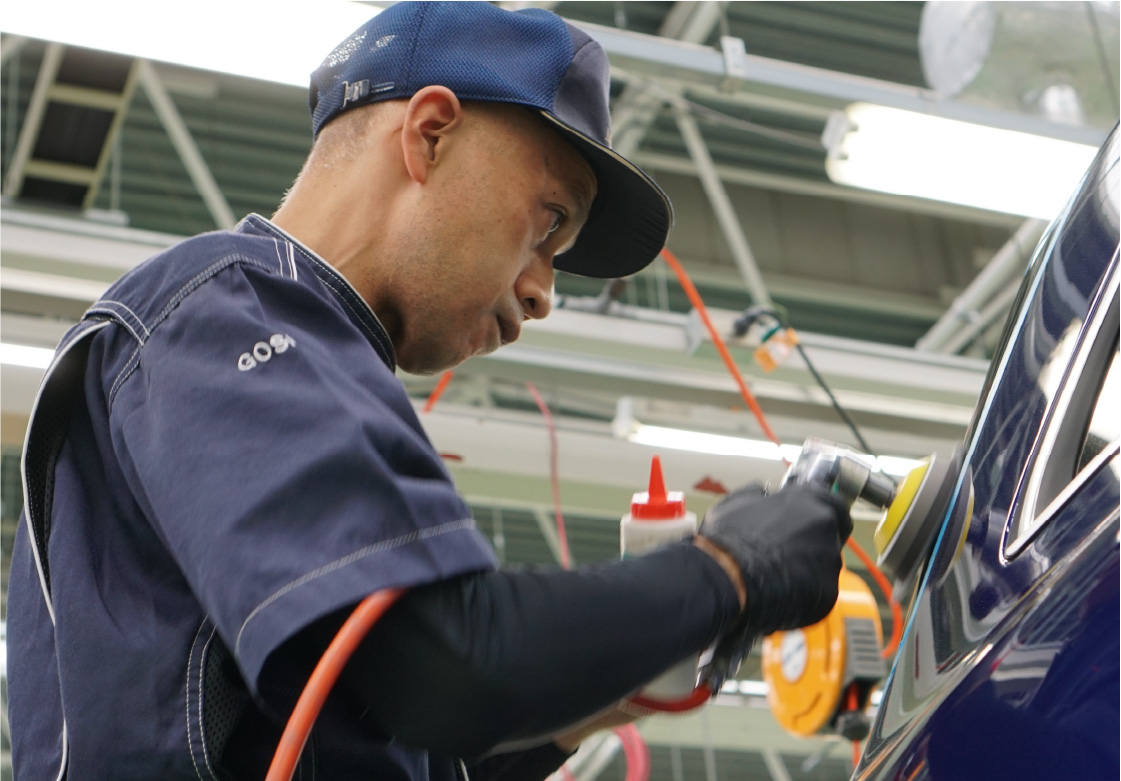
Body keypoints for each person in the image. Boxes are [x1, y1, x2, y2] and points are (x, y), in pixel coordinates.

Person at [7, 3, 852, 780]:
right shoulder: (226, 306)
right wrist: (728, 569)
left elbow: (375, 736)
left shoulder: (309, 359)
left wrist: (610, 691)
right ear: (431, 134)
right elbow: (449, 667)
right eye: (549, 222)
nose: (542, 292)